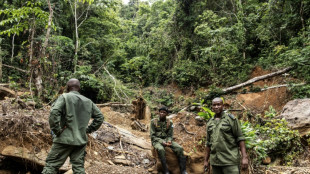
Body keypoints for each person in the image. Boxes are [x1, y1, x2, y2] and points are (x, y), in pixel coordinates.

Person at [42, 79, 104, 174]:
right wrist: (87, 130)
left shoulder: (64, 97)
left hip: (64, 139)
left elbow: (54, 113)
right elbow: (100, 117)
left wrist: (57, 131)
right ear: (79, 88)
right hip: (80, 140)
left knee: (51, 166)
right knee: (78, 168)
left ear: (67, 87)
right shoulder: (88, 101)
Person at [204, 97, 248, 174]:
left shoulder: (231, 119)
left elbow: (240, 138)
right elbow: (208, 143)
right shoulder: (210, 122)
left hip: (230, 161)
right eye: (214, 105)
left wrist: (244, 157)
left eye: (218, 104)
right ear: (212, 107)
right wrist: (206, 161)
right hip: (215, 162)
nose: (216, 107)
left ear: (223, 106)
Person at [150, 106, 188, 174]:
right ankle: (166, 171)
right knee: (161, 149)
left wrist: (169, 140)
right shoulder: (153, 121)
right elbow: (152, 136)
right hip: (156, 141)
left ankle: (183, 170)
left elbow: (170, 135)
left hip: (166, 139)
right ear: (159, 113)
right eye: (160, 112)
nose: (162, 113)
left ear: (167, 114)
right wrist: (162, 142)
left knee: (179, 148)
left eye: (164, 112)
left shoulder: (169, 122)